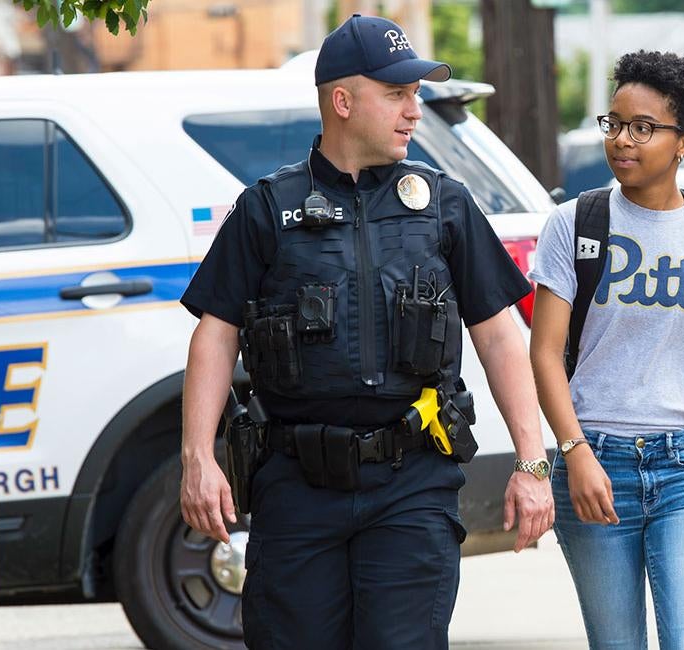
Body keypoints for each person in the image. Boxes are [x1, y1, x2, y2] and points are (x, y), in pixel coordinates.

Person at [178, 15, 551, 648]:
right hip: (296, 485)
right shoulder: (267, 208)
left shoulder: (445, 204)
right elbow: (215, 332)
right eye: (397, 95)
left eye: (416, 95)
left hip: (412, 481)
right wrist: (197, 457)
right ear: (343, 102)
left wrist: (532, 462)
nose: (414, 111)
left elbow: (498, 334)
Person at [526, 50, 684, 649]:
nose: (622, 140)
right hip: (594, 462)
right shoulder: (574, 224)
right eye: (614, 123)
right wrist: (575, 450)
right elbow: (544, 352)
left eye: (643, 128)